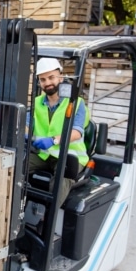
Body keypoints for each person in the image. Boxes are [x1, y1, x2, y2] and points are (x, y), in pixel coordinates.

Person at [28, 58, 89, 208]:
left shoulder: (76, 103)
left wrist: (54, 140)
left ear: (60, 77)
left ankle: (47, 220)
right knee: (14, 164)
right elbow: (26, 124)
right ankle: (15, 209)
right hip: (43, 154)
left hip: (70, 156)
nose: (47, 82)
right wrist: (25, 134)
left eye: (51, 77)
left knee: (62, 176)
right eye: (42, 79)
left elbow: (76, 132)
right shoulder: (36, 102)